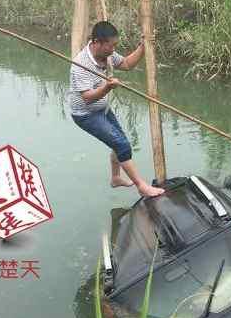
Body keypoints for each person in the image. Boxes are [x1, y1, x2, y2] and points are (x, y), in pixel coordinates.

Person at [70, 21, 164, 198]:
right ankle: (141, 186)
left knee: (119, 142)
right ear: (97, 42)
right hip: (86, 114)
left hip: (102, 108)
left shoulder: (107, 55)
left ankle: (115, 178)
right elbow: (87, 98)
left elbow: (127, 64)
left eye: (115, 45)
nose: (113, 50)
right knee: (121, 144)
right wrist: (107, 87)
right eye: (111, 45)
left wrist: (142, 47)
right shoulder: (80, 65)